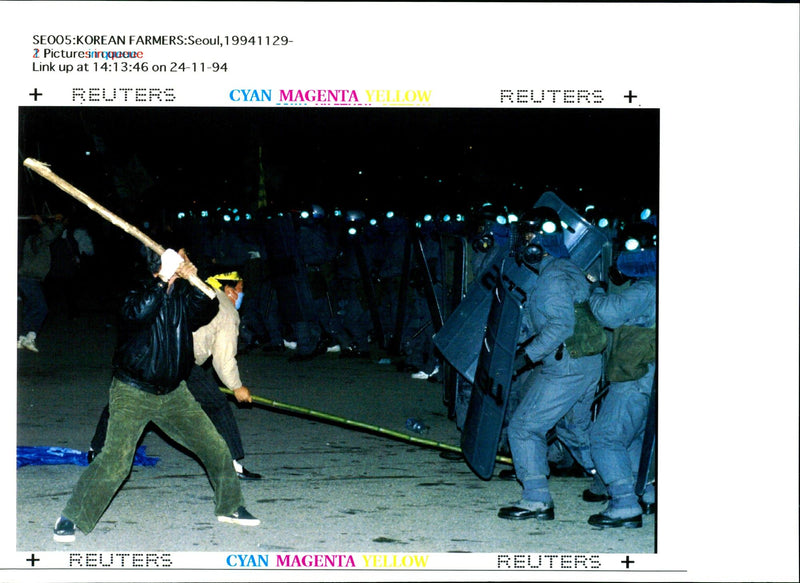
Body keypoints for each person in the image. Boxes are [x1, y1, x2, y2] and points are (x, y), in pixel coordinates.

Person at [53, 248, 260, 543]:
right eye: (177, 262)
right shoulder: (137, 291)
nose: (182, 265)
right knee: (116, 461)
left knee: (215, 447)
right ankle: (71, 516)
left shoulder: (181, 294)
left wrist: (195, 278)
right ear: (160, 266)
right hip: (133, 391)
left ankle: (230, 506)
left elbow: (208, 308)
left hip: (175, 393)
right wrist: (163, 279)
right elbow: (136, 313)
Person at [87, 266, 263, 480]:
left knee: (125, 398)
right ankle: (230, 463)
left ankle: (96, 449)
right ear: (229, 289)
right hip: (181, 362)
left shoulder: (188, 291)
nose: (241, 295)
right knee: (216, 405)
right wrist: (236, 387)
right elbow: (223, 359)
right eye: (240, 289)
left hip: (149, 356)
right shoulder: (226, 310)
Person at [498, 208, 604, 521]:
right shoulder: (565, 268)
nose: (521, 243)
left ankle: (536, 499)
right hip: (586, 362)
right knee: (573, 427)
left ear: (535, 241)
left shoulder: (552, 278)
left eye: (525, 236)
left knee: (524, 426)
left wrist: (524, 357)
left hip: (567, 364)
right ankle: (615, 481)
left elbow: (560, 327)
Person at [585, 222, 657, 529]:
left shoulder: (646, 289)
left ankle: (625, 504)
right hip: (650, 378)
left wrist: (596, 290)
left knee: (604, 438)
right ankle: (646, 493)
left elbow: (608, 314)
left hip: (636, 375)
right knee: (635, 440)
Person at [18, 214, 64, 352]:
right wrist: (43, 222)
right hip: (28, 278)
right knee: (41, 308)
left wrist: (57, 222)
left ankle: (21, 338)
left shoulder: (38, 240)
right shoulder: (35, 240)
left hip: (29, 279)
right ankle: (30, 337)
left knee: (31, 308)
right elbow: (51, 236)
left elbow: (53, 235)